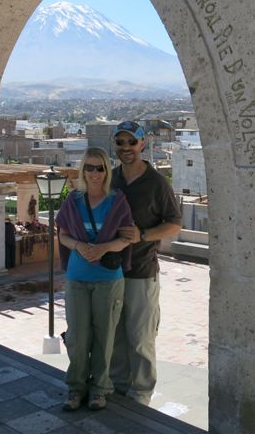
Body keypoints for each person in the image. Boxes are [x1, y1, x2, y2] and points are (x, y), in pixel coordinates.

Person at [55, 148, 134, 412]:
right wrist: (78, 245)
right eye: (89, 167)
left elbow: (127, 237)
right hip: (77, 277)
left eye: (100, 168)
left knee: (105, 337)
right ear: (82, 170)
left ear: (107, 171)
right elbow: (62, 234)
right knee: (78, 336)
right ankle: (76, 387)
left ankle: (100, 389)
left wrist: (103, 248)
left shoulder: (117, 201)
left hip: (108, 279)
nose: (94, 173)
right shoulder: (73, 201)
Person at [109, 121, 182, 405]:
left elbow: (175, 223)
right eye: (120, 143)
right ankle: (117, 388)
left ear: (142, 144)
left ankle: (140, 397)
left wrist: (144, 235)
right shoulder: (110, 179)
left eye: (131, 142)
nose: (126, 148)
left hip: (141, 271)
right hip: (111, 271)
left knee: (140, 338)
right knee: (114, 336)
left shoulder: (156, 183)